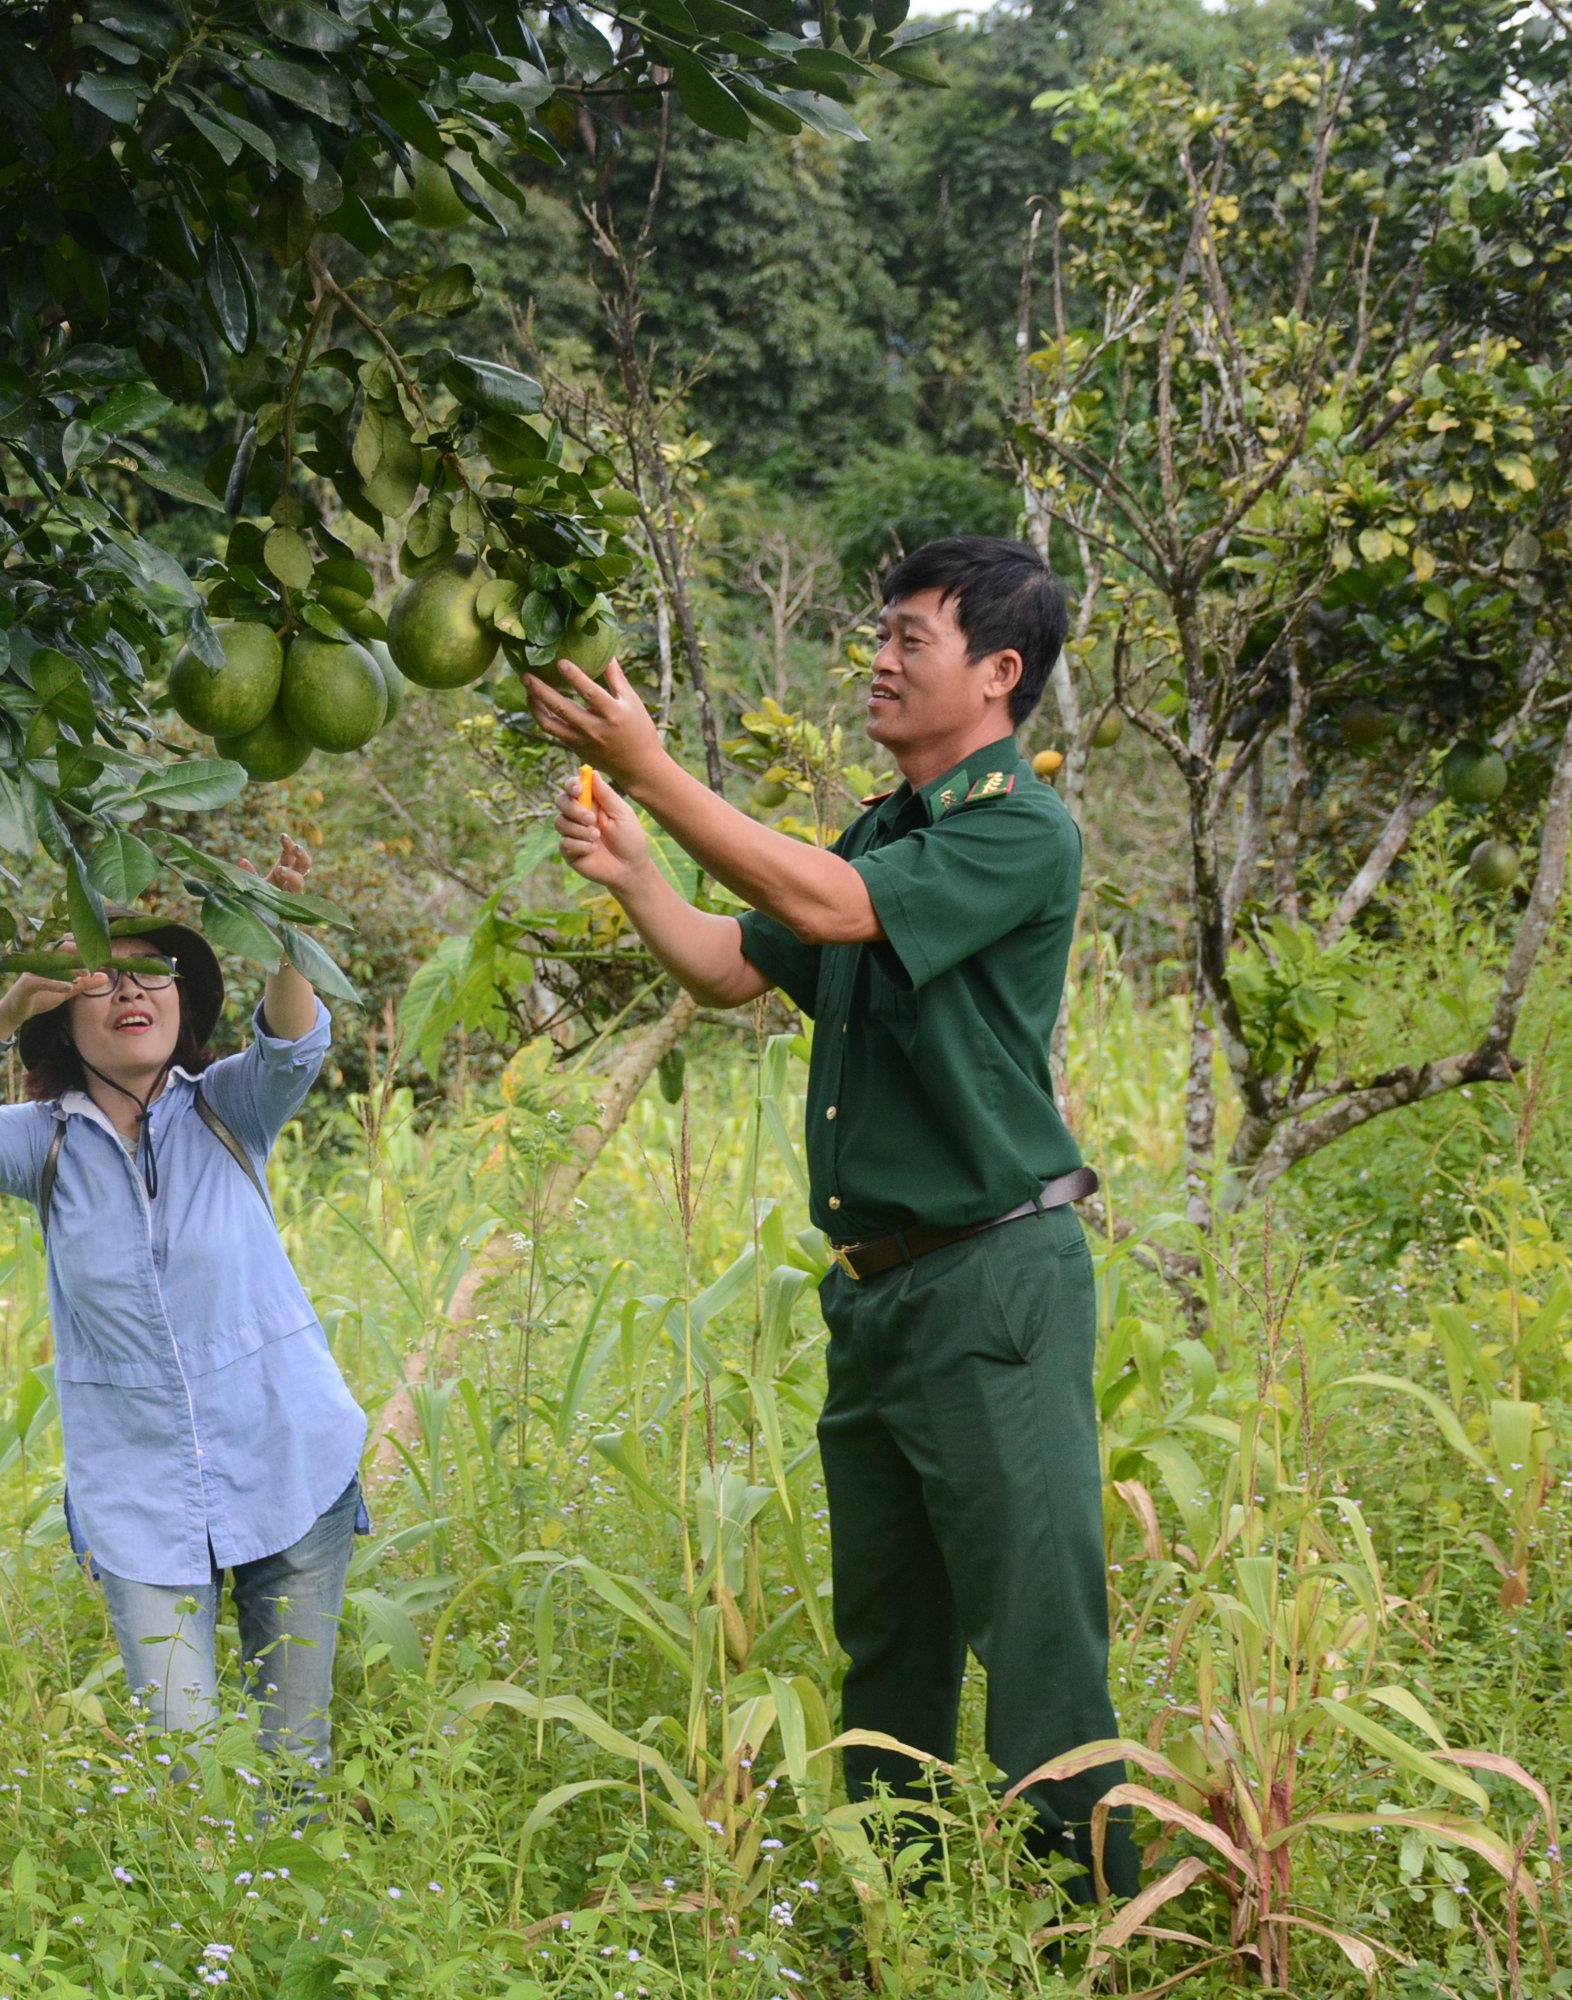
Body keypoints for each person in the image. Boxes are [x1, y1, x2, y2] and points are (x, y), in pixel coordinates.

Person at [531, 536, 1142, 1903]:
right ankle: (904, 1923)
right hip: (878, 1297)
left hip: (994, 1280)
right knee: (892, 1640)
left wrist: (653, 767)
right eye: (879, 633)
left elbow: (825, 904)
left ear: (996, 673)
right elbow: (732, 967)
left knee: (1038, 1636)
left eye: (908, 638)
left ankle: (1096, 1934)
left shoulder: (1016, 829)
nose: (877, 658)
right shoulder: (883, 829)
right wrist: (635, 871)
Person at [0, 836, 369, 1778]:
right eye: (102, 980)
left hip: (288, 1461)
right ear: (63, 1019)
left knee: (292, 1757)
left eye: (155, 976)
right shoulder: (41, 1142)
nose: (133, 992)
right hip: (137, 1494)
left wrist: (281, 930)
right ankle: (209, 1912)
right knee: (183, 1761)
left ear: (183, 1007)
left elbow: (292, 1041)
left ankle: (283, 1922)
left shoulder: (232, 1105)